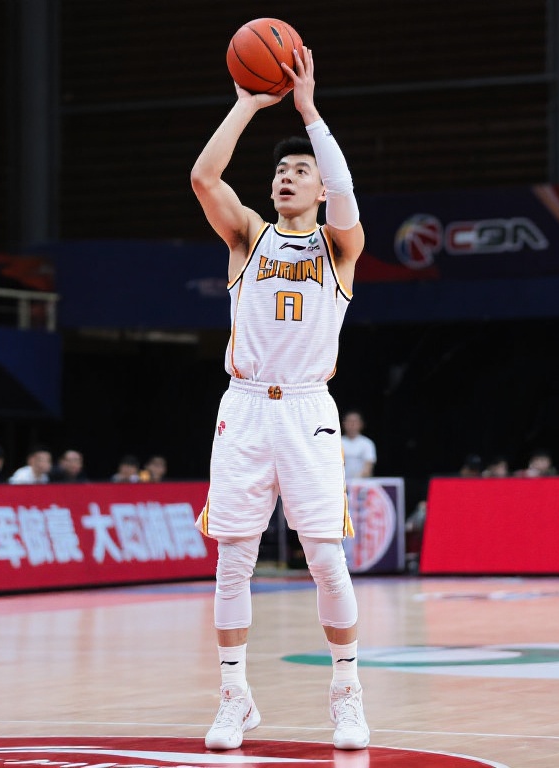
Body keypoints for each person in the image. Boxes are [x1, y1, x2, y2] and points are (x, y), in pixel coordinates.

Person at [190, 46, 369, 750]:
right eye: (280, 171)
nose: (286, 177)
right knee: (234, 557)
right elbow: (204, 177)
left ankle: (347, 693)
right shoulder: (248, 236)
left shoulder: (339, 248)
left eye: (300, 171)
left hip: (306, 409)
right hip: (243, 406)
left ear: (321, 187)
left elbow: (348, 195)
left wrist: (310, 113)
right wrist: (245, 104)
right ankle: (234, 697)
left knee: (324, 556)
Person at [340, 410, 376, 481]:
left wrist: (355, 481)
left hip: (361, 483)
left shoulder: (367, 443)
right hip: (340, 483)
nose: (352, 424)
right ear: (343, 424)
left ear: (361, 424)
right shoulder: (338, 443)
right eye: (349, 421)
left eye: (355, 422)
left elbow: (368, 467)